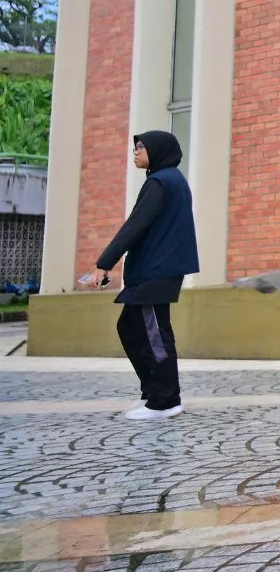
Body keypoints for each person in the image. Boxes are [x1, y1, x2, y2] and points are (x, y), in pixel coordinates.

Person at [87, 130, 198, 420]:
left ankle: (166, 401)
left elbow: (134, 226)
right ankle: (153, 393)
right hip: (156, 270)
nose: (135, 152)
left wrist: (104, 263)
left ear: (158, 151)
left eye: (141, 147)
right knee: (131, 328)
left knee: (153, 335)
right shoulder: (168, 181)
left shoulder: (161, 182)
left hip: (156, 272)